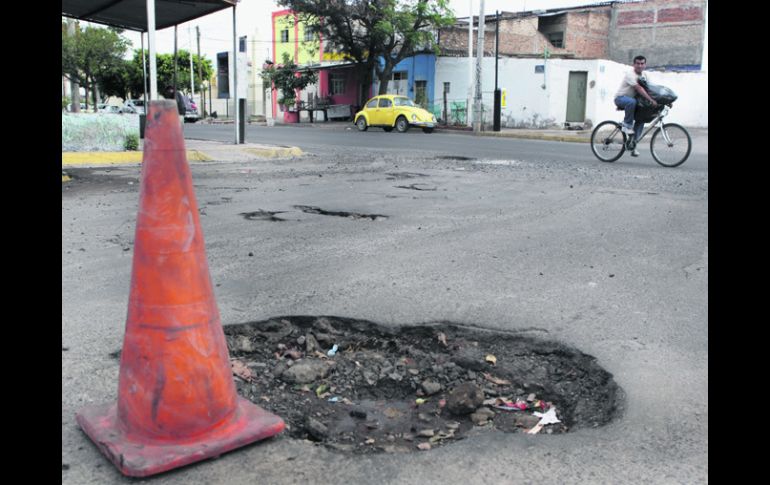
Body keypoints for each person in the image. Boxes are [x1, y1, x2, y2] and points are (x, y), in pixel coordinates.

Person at [614, 55, 657, 157]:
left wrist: (662, 99)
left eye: (642, 63)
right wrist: (651, 100)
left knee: (641, 119)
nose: (640, 65)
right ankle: (627, 125)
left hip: (634, 102)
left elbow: (650, 89)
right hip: (621, 98)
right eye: (637, 63)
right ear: (634, 64)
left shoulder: (645, 75)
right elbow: (639, 89)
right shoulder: (630, 74)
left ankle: (633, 145)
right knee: (631, 101)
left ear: (645, 65)